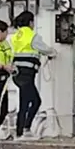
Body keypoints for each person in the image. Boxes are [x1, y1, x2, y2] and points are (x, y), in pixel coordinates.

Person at [10, 11, 56, 140]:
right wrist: (53, 53)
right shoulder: (32, 36)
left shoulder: (15, 36)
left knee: (25, 102)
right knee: (35, 101)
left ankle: (23, 131)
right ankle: (23, 131)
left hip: (17, 74)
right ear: (30, 22)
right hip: (27, 74)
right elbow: (44, 48)